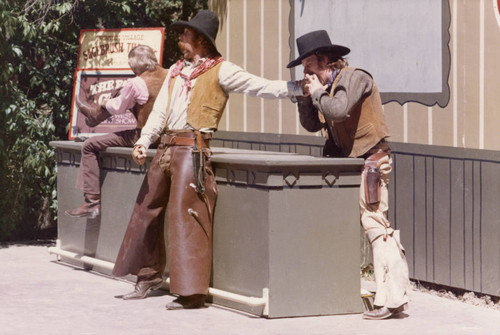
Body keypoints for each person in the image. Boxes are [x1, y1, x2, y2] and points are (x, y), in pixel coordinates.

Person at [111, 10, 303, 309]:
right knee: (146, 209)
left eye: (185, 35)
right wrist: (143, 141)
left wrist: (297, 88)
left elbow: (259, 85)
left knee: (186, 215)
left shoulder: (222, 70)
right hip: (165, 147)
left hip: (192, 149)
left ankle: (191, 293)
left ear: (200, 40)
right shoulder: (176, 71)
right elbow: (160, 111)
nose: (180, 40)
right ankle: (147, 276)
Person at [287, 30, 409, 320]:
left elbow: (338, 110)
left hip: (371, 161)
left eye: (310, 68)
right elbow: (312, 125)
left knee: (375, 224)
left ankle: (393, 298)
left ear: (326, 60)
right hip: (348, 163)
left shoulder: (354, 78)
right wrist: (306, 97)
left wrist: (316, 92)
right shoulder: (325, 86)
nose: (307, 74)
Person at [65, 45, 168, 218]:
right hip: (168, 136)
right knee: (122, 93)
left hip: (144, 136)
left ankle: (91, 203)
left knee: (89, 145)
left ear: (135, 65)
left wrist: (104, 102)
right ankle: (94, 115)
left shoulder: (137, 83)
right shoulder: (169, 75)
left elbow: (118, 108)